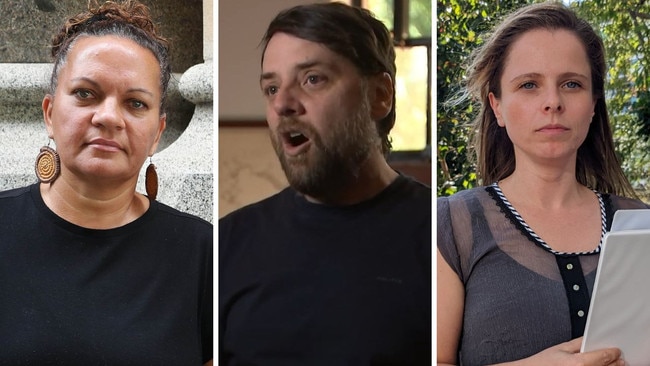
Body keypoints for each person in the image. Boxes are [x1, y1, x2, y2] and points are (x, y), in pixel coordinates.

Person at [0, 1, 212, 364]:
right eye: (86, 93)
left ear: (157, 132)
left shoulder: (202, 253)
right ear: (50, 113)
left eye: (135, 103)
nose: (109, 117)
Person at [219, 2, 431, 365]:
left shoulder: (442, 236)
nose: (283, 103)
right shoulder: (226, 246)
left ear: (380, 95)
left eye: (312, 79)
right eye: (271, 88)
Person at [437, 2, 649, 365]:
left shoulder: (641, 223)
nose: (552, 102)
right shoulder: (452, 225)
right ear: (498, 106)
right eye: (529, 85)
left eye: (571, 84)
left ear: (594, 103)